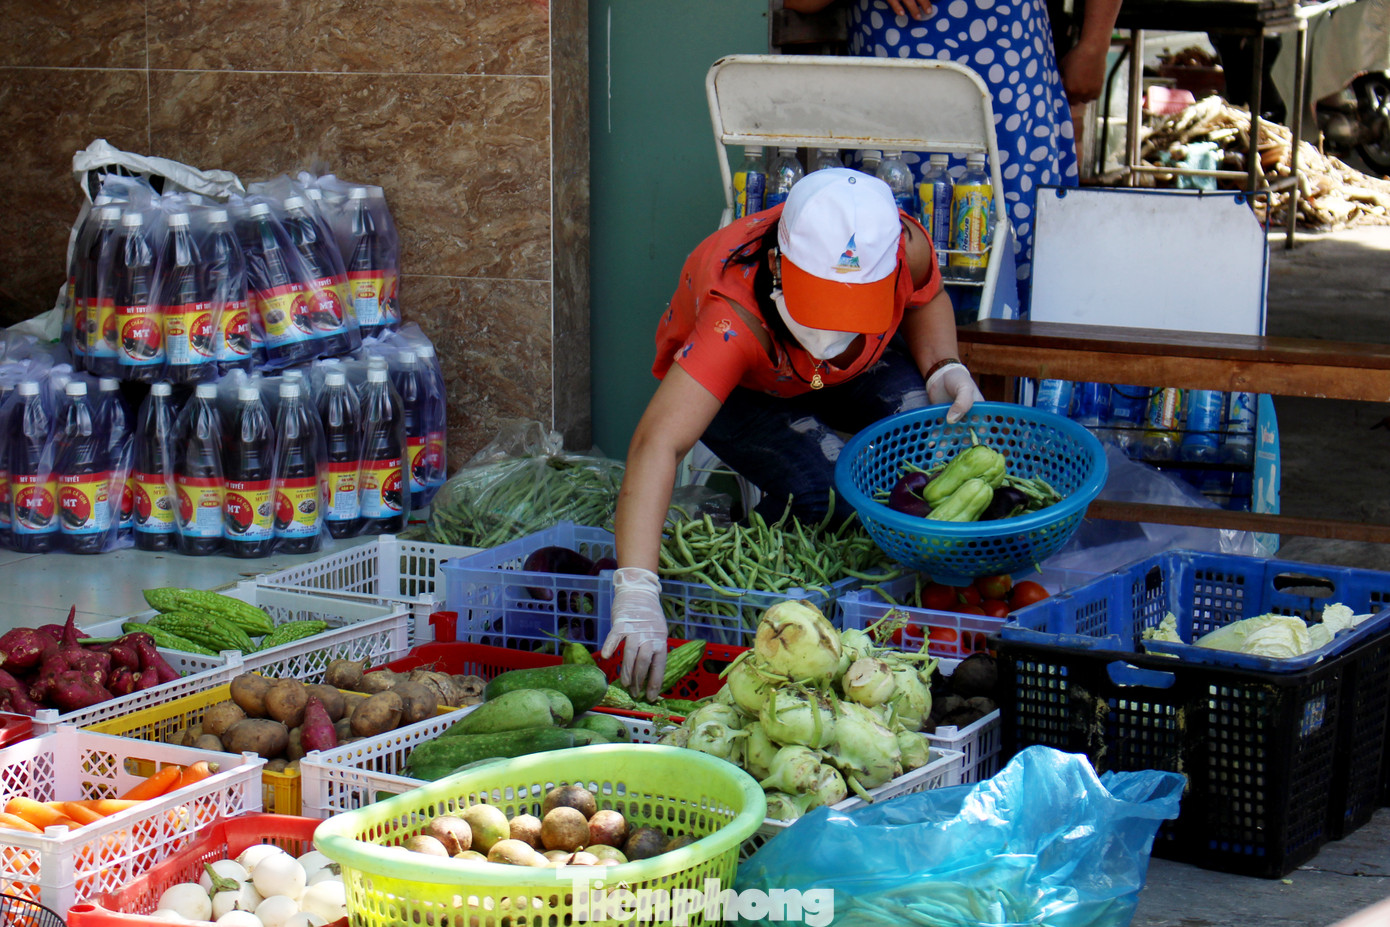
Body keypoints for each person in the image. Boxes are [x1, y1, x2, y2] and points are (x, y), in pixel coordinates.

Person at [601, 168, 982, 698]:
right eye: (822, 302)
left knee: (929, 452)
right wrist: (637, 589)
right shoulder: (733, 317)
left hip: (852, 369)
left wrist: (943, 365)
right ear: (780, 266)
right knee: (830, 498)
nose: (833, 325)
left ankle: (886, 593)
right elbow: (658, 442)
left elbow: (926, 295)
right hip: (747, 384)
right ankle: (786, 610)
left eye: (853, 305)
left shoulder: (903, 246)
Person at [785, 0, 1121, 313]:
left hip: (1011, 69)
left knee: (1018, 258)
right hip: (898, 71)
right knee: (885, 252)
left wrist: (1095, 42)